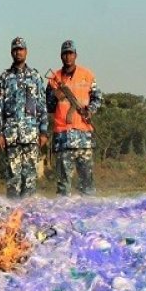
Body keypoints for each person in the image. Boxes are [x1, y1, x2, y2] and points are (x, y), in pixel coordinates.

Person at [0, 37, 49, 198]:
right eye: (15, 49)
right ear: (11, 52)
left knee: (30, 179)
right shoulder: (4, 78)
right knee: (13, 179)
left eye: (21, 49)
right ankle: (13, 219)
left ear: (26, 52)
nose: (18, 52)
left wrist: (44, 131)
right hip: (11, 136)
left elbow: (41, 105)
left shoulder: (35, 77)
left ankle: (29, 218)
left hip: (31, 135)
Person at [46, 39, 103, 196]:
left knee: (87, 183)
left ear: (76, 55)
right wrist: (57, 94)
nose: (68, 57)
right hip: (63, 136)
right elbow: (49, 105)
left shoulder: (88, 75)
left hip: (84, 135)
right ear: (61, 56)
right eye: (65, 54)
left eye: (70, 53)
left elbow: (97, 98)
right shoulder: (54, 78)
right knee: (64, 185)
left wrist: (89, 110)